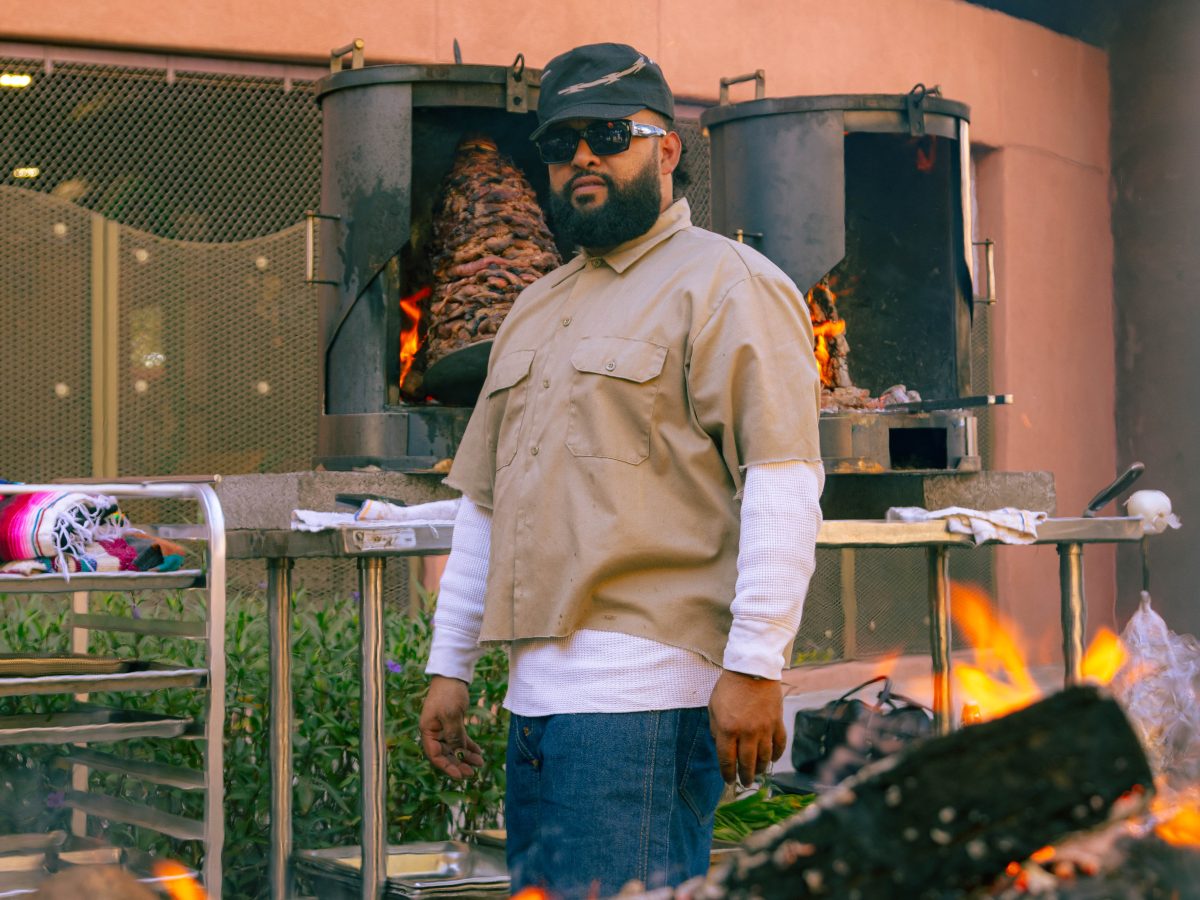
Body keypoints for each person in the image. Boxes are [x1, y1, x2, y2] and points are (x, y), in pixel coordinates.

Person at [419, 42, 824, 898]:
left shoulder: (729, 285)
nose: (583, 158)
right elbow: (486, 503)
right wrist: (449, 665)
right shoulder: (534, 307)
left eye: (609, 135)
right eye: (560, 144)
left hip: (645, 713)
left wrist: (756, 665)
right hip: (536, 712)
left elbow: (782, 481)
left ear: (667, 148)